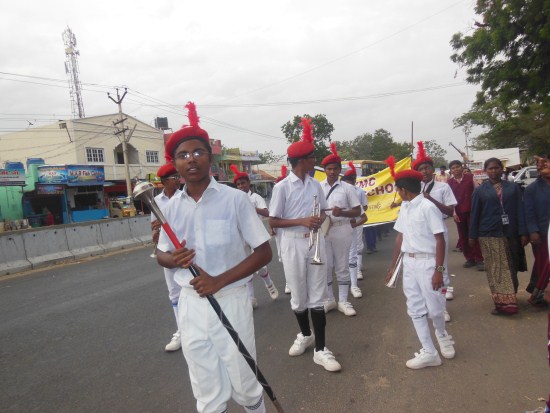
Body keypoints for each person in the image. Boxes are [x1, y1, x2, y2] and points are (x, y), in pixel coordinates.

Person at [156, 102, 273, 413]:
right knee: (206, 388)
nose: (191, 159)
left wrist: (219, 280)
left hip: (231, 297)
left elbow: (264, 251)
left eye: (198, 152)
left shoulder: (235, 200)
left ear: (211, 157)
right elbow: (160, 254)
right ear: (175, 164)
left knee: (245, 381)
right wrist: (175, 259)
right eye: (183, 155)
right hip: (191, 304)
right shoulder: (170, 206)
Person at [269, 117, 342, 372]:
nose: (315, 161)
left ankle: (321, 349)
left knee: (318, 296)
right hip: (291, 244)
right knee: (299, 297)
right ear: (302, 161)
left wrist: (319, 218)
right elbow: (273, 221)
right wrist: (302, 220)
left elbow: (323, 212)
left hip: (314, 243)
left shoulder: (315, 184)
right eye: (312, 157)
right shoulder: (281, 188)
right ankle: (305, 334)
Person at [386, 167, 456, 369]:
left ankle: (442, 334)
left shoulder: (427, 207)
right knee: (414, 307)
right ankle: (429, 351)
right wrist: (393, 266)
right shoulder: (405, 207)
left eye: (398, 190)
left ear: (404, 190)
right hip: (409, 262)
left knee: (436, 308)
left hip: (428, 262)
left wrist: (439, 271)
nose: (397, 193)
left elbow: (440, 239)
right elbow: (400, 237)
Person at [469, 157, 528, 315]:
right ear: (485, 171)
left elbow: (520, 210)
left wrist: (523, 232)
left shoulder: (513, 188)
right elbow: (475, 214)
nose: (493, 171)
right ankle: (503, 304)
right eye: (490, 168)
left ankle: (511, 295)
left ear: (502, 169)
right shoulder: (480, 191)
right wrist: (472, 235)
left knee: (512, 266)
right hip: (489, 233)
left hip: (511, 232)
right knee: (497, 269)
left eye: (496, 168)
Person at [412, 142, 457, 321]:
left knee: (441, 269)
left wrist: (431, 200)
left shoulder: (443, 187)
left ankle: (441, 307)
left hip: (439, 233)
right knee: (422, 270)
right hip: (420, 235)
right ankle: (425, 303)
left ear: (433, 169)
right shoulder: (414, 189)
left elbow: (450, 211)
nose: (424, 171)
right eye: (421, 169)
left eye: (427, 168)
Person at [320, 144, 361, 315]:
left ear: (339, 170)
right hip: (324, 231)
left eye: (335, 168)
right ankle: (330, 299)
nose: (332, 171)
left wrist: (342, 211)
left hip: (342, 229)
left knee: (342, 266)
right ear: (324, 170)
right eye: (329, 168)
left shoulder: (348, 188)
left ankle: (343, 300)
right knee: (326, 266)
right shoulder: (317, 186)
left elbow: (358, 211)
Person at [230, 164, 279, 308]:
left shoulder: (256, 197)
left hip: (255, 236)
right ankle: (251, 297)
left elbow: (267, 212)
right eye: (238, 184)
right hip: (240, 237)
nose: (241, 186)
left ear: (248, 183)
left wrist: (252, 207)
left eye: (243, 183)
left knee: (260, 266)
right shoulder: (234, 199)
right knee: (246, 267)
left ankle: (269, 283)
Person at [151, 163, 183, 352]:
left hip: (186, 248)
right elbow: (155, 226)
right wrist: (155, 233)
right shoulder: (155, 201)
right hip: (167, 250)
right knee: (174, 293)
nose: (178, 180)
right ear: (164, 182)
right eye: (173, 178)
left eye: (178, 177)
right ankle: (181, 331)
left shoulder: (184, 197)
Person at [447, 160, 485, 271]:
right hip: (458, 213)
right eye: (453, 168)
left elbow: (478, 192)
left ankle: (479, 259)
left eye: (457, 167)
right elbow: (449, 200)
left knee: (473, 235)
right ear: (451, 170)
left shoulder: (470, 177)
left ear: (462, 167)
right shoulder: (449, 183)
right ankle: (469, 258)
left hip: (471, 211)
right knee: (463, 237)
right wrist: (453, 213)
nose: (456, 169)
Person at [524, 153, 550, 307]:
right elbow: (528, 211)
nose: (543, 165)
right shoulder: (532, 188)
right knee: (543, 264)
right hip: (541, 234)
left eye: (546, 162)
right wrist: (533, 231)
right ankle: (541, 294)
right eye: (542, 164)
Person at [341, 161, 368, 295]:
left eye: (350, 180)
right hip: (341, 227)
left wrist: (355, 220)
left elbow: (364, 209)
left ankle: (356, 275)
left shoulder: (359, 191)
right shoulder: (340, 192)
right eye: (346, 180)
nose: (348, 183)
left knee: (356, 248)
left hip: (356, 222)